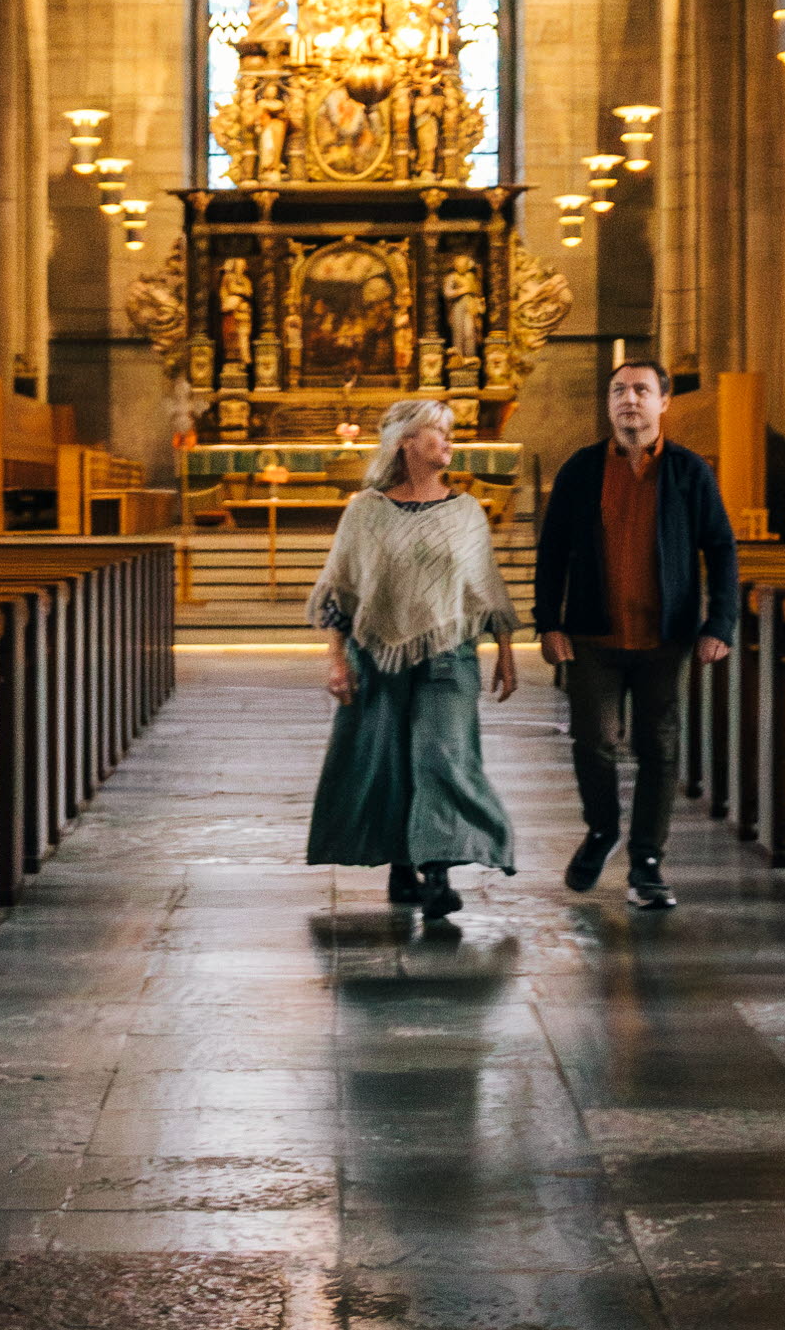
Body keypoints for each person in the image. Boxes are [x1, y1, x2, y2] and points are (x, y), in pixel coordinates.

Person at [532, 358, 740, 908]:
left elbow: (721, 548)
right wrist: (548, 621)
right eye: (619, 390)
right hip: (593, 636)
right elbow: (552, 550)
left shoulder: (689, 471)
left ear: (663, 402)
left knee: (658, 746)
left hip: (664, 638)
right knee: (594, 741)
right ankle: (602, 830)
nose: (629, 399)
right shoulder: (581, 469)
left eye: (641, 391)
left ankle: (647, 860)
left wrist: (720, 623)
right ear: (608, 403)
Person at [304, 397, 521, 916]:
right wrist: (336, 660)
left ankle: (437, 874)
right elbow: (340, 590)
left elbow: (485, 588)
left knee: (443, 757)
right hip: (376, 656)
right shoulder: (366, 511)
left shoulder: (466, 511)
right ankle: (402, 866)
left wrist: (506, 652)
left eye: (450, 432)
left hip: (450, 655)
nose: (449, 441)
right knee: (388, 760)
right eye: (437, 431)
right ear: (405, 442)